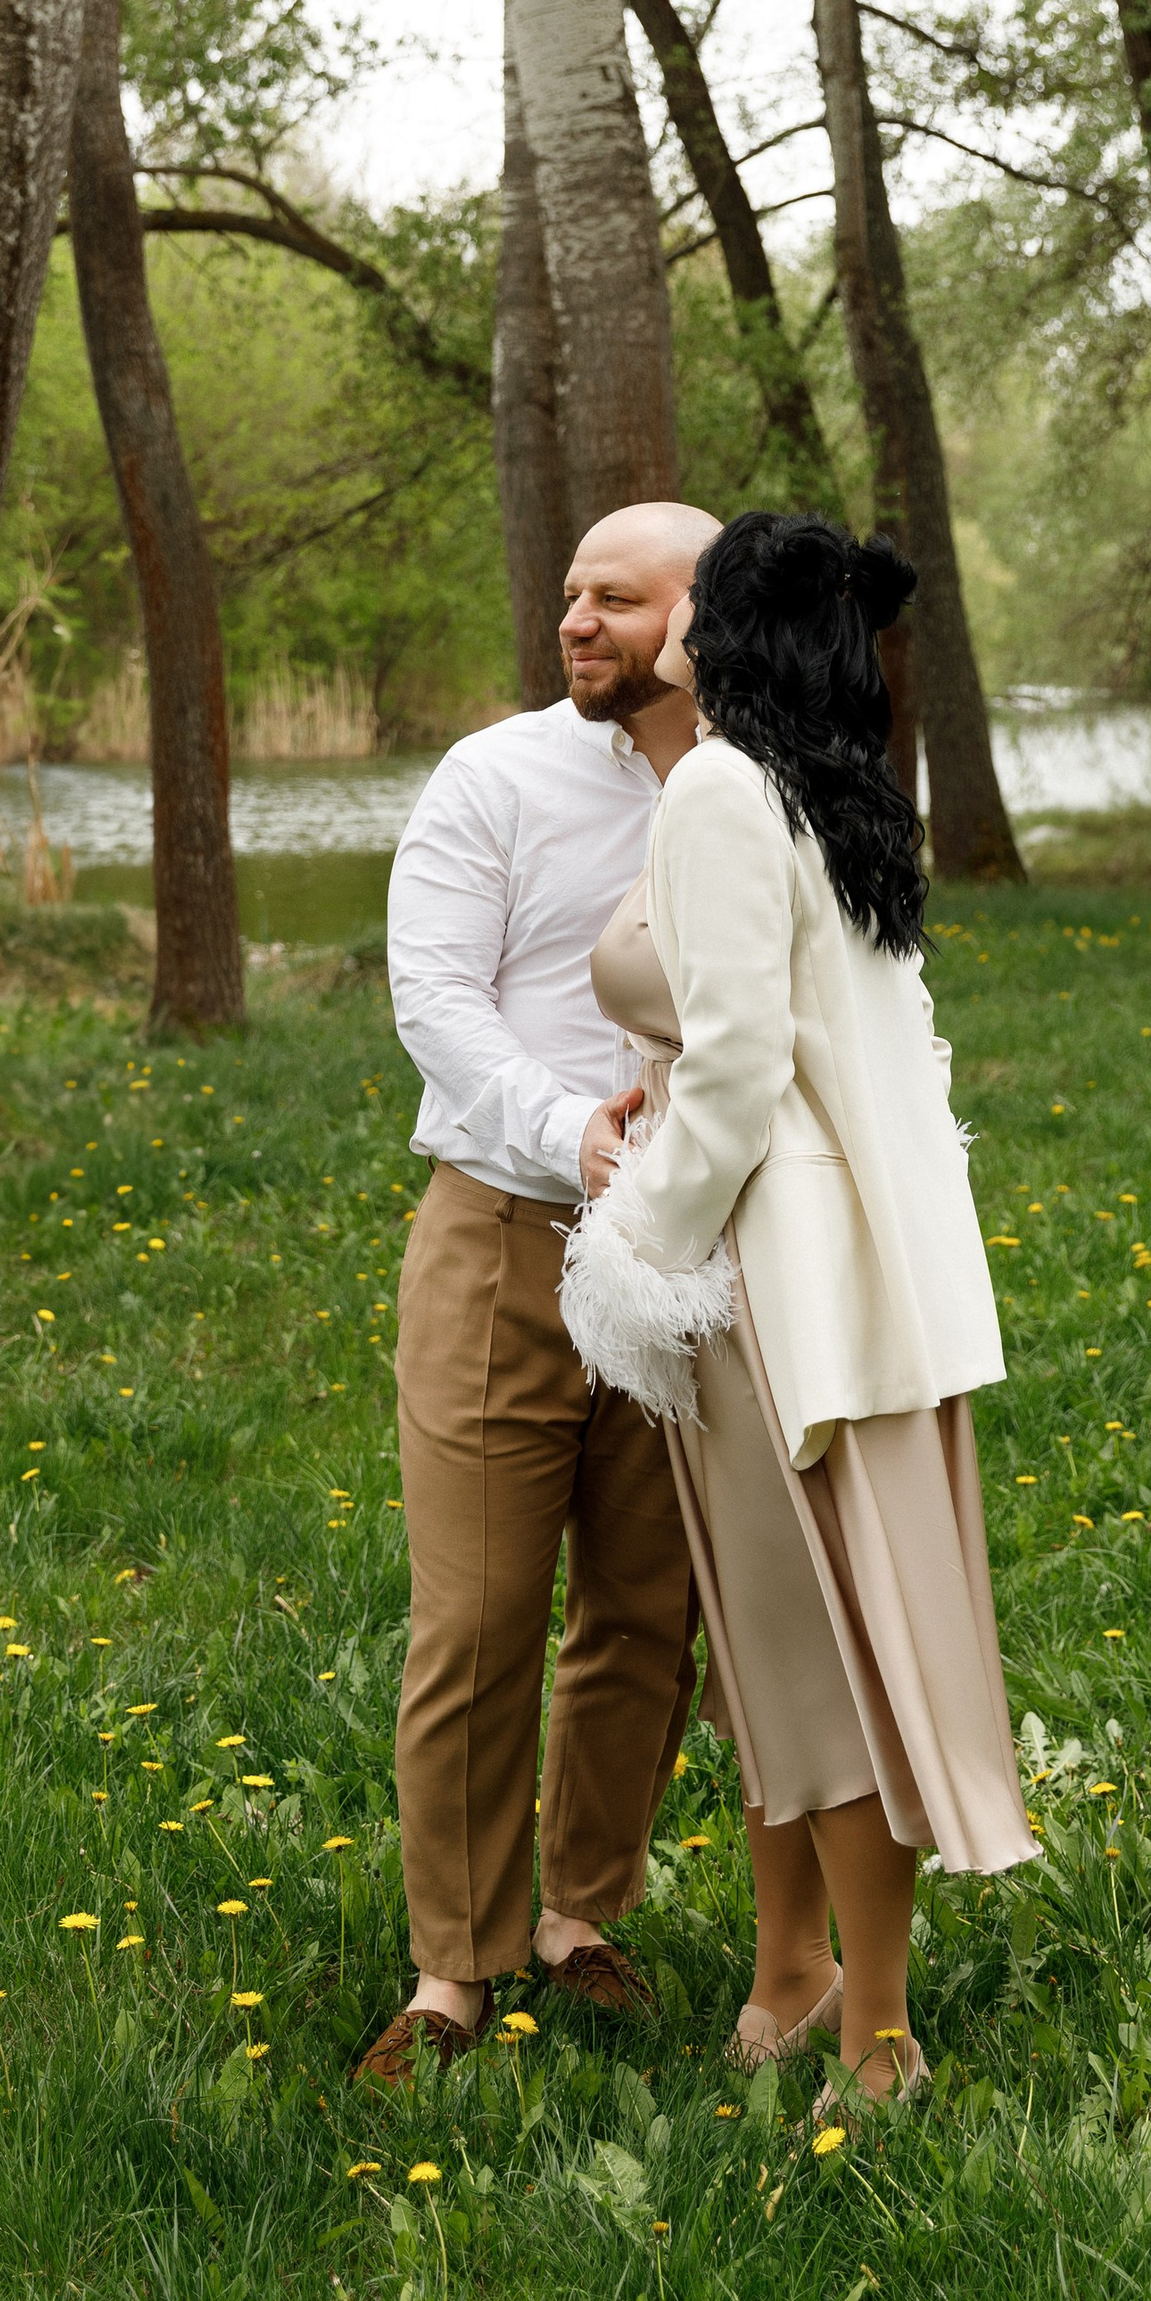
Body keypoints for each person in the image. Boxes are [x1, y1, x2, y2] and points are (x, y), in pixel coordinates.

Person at [561, 510, 1035, 2103]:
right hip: (858, 1268)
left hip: (769, 1281)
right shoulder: (828, 783)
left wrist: (640, 1243)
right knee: (782, 1645)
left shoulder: (718, 786)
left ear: (730, 626)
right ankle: (788, 1972)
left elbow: (743, 1064)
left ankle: (879, 2034)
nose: (662, 615)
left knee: (818, 1661)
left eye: (688, 594)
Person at [357, 497, 723, 2083]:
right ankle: (454, 1966)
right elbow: (435, 997)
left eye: (616, 598)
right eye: (571, 591)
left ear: (700, 617)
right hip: (505, 1233)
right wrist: (571, 1128)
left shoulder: (749, 789)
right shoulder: (494, 776)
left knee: (649, 1605)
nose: (576, 619)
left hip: (690, 1254)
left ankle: (578, 1913)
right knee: (483, 1613)